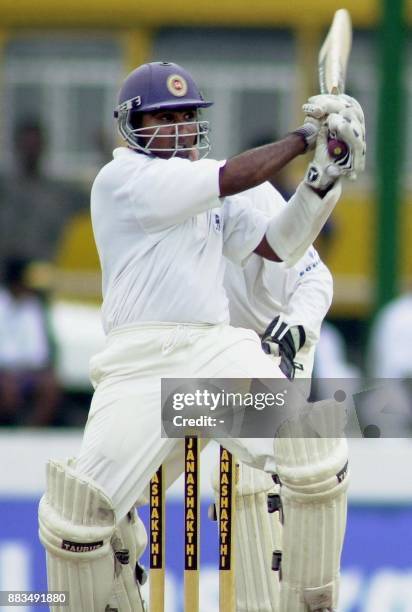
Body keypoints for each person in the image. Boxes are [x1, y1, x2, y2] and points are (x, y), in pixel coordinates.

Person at [38, 61, 365, 611]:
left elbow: (281, 246)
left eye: (188, 116)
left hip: (215, 349)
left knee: (310, 448)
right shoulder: (123, 180)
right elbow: (232, 177)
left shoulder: (206, 187)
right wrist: (308, 137)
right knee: (80, 517)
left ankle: (310, 603)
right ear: (134, 125)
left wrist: (322, 178)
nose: (180, 128)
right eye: (165, 118)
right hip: (136, 365)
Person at [0, 119, 87, 275]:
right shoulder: (5, 189)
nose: (30, 151)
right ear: (17, 146)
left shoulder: (59, 194)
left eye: (35, 145)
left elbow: (99, 198)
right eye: (26, 144)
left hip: (42, 281)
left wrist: (106, 155)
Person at [0, 257, 61, 425]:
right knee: (7, 389)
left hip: (31, 371)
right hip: (4, 372)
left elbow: (41, 347)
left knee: (50, 386)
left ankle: (31, 432)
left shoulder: (35, 306)